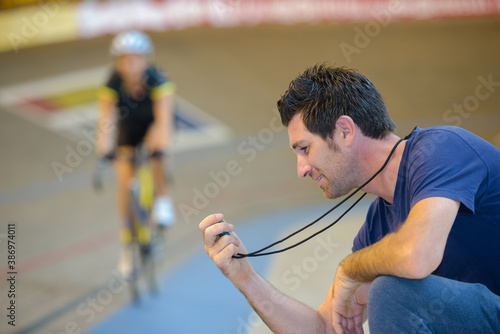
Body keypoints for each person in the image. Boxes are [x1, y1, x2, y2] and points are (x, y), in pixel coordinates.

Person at [199, 64, 500, 333]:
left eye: (304, 149)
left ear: (344, 131)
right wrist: (245, 278)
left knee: (390, 292)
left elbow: (416, 255)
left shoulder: (441, 148)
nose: (301, 169)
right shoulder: (379, 225)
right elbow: (325, 329)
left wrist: (351, 268)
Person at [97, 30, 176, 278]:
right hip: (128, 130)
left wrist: (161, 149)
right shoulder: (112, 82)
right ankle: (127, 247)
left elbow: (164, 121)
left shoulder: (158, 80)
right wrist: (104, 150)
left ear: (145, 60)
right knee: (125, 183)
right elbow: (105, 121)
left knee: (157, 146)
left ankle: (162, 200)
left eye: (134, 59)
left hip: (152, 126)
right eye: (123, 60)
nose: (129, 66)